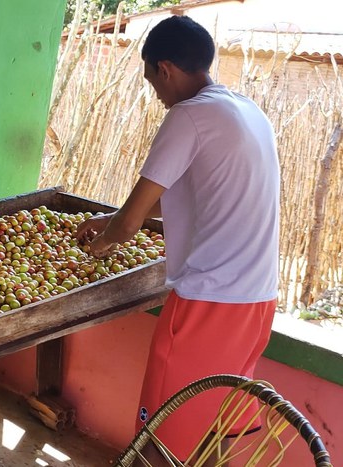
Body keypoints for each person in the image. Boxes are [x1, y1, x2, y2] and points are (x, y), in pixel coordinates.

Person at [76, 15, 279, 464]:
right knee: (217, 425)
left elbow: (130, 224)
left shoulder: (189, 115)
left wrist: (102, 243)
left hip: (210, 301)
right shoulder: (245, 110)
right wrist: (112, 217)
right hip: (258, 300)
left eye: (153, 84)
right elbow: (185, 196)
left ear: (163, 69)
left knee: (160, 435)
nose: (159, 97)